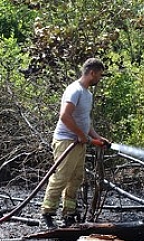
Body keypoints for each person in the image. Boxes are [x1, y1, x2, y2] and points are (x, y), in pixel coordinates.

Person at [41, 57, 109, 228]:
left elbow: (85, 120)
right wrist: (80, 135)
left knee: (76, 178)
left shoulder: (88, 94)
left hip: (79, 142)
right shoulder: (75, 90)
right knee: (61, 177)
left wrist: (97, 136)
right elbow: (64, 116)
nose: (99, 79)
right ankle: (48, 213)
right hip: (66, 141)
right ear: (92, 73)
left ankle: (69, 214)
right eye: (99, 75)